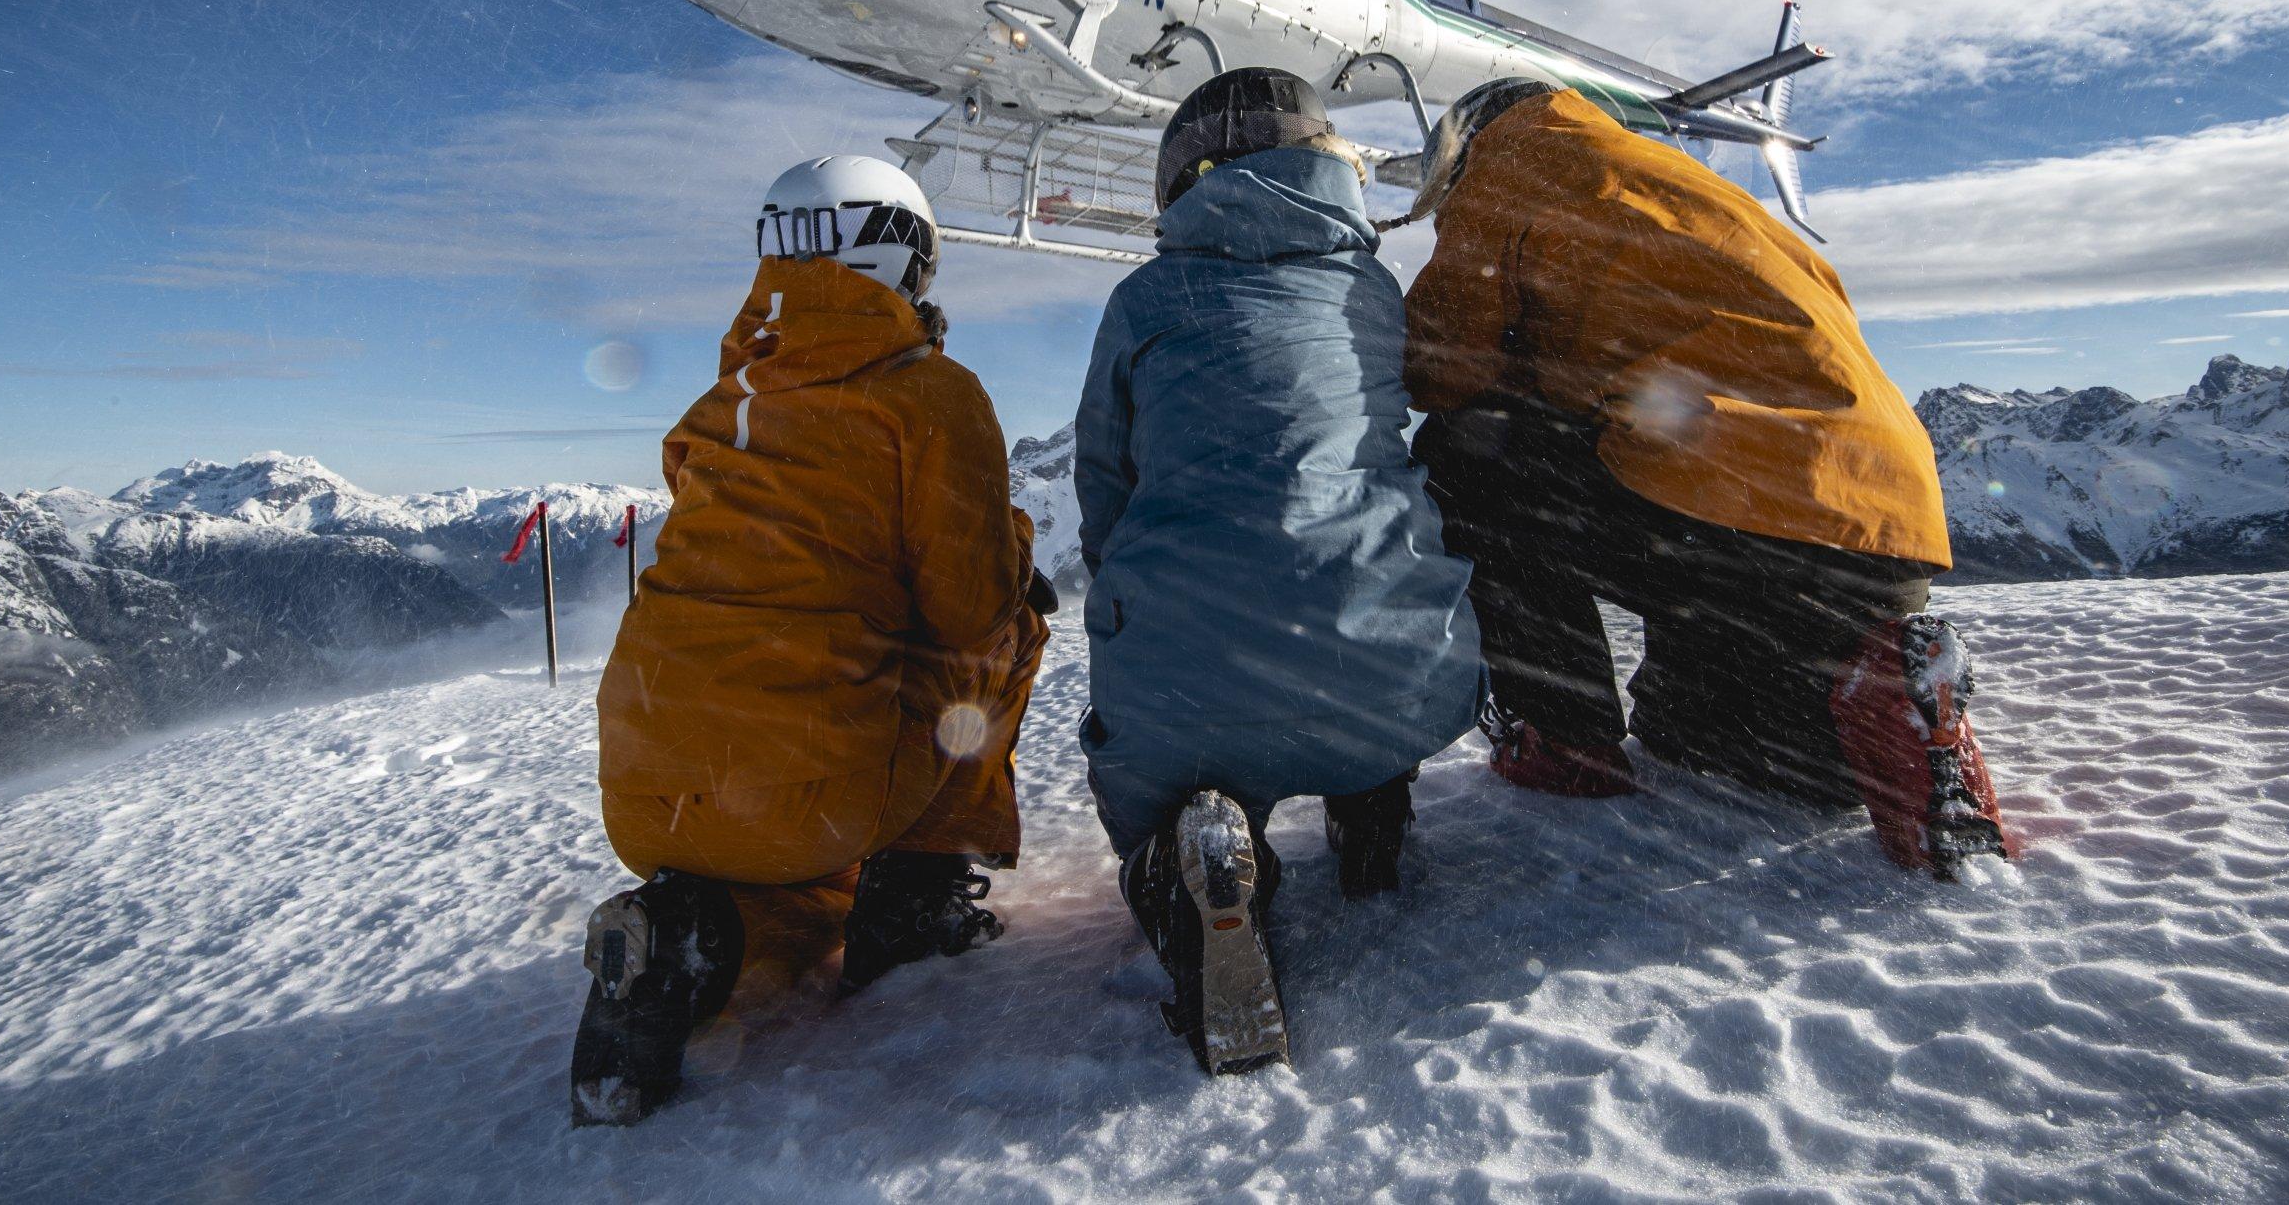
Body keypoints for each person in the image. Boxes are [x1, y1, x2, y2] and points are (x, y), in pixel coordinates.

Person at [1401, 78, 2009, 879]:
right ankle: (1891, 679)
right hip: (1875, 529)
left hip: (1728, 496)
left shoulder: (1510, 169)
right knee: (1707, 741)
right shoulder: (1687, 187)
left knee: (1461, 452)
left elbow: (1444, 367)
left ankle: (1565, 737)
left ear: (1461, 144)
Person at [571, 155, 1052, 1127]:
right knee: (1011, 629)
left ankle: (681, 931)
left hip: (644, 794)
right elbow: (970, 611)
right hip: (807, 791)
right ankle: (915, 894)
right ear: (903, 258)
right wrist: (1016, 544)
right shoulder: (928, 390)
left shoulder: (722, 404)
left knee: (802, 878)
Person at [1074, 67, 1487, 1075]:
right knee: (1361, 606)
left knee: (1193, 755)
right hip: (1382, 661)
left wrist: (1134, 610)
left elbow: (1102, 485)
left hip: (1190, 682)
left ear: (1181, 179)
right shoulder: (1370, 289)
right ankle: (1371, 805)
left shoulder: (1144, 299)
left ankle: (1198, 863)